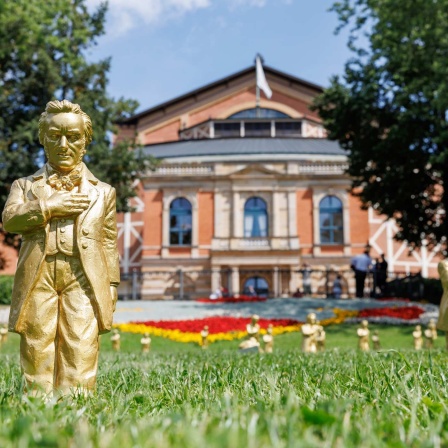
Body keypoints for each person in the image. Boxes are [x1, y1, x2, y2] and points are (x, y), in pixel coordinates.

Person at [2, 100, 120, 395]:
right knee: (36, 339)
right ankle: (37, 405)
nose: (64, 144)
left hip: (83, 275)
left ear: (85, 141)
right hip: (38, 272)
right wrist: (48, 205)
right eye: (55, 136)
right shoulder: (25, 186)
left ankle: (76, 404)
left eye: (73, 136)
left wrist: (113, 283)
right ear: (43, 139)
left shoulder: (103, 192)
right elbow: (10, 221)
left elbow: (108, 239)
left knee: (80, 340)